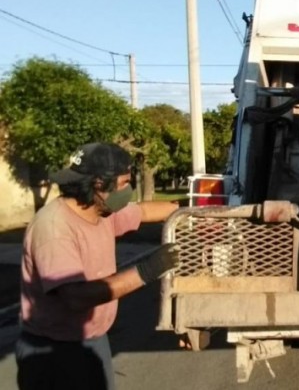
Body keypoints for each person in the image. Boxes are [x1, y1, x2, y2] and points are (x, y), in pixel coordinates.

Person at [16, 142, 181, 390]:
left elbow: (144, 212)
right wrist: (147, 270)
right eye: (125, 183)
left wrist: (193, 209)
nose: (129, 189)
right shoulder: (54, 229)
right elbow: (76, 296)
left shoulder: (99, 211)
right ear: (98, 184)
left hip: (91, 340)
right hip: (54, 351)